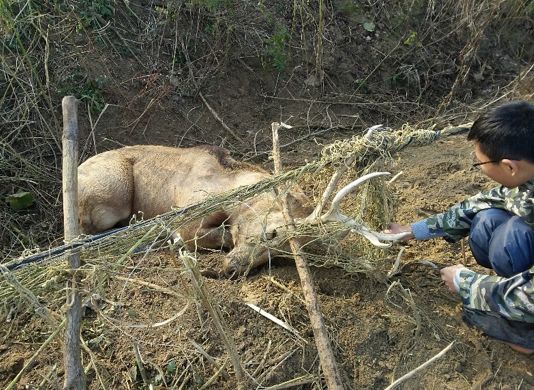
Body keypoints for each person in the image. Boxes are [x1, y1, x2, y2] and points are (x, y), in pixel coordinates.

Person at [386, 100, 534, 354]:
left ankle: (526, 334)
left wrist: (467, 284)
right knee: (488, 220)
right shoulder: (526, 180)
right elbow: (483, 202)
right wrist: (415, 230)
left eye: (480, 163)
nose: (479, 169)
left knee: (481, 308)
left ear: (510, 166)